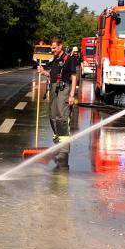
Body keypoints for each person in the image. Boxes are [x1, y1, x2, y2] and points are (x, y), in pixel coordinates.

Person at [37, 38, 78, 169]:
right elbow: (52, 75)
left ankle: (64, 150)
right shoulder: (54, 60)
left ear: (60, 46)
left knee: (61, 117)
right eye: (51, 48)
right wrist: (44, 72)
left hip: (64, 89)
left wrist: (72, 95)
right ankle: (58, 140)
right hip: (53, 89)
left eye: (54, 48)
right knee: (52, 117)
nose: (52, 50)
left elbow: (74, 76)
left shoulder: (69, 58)